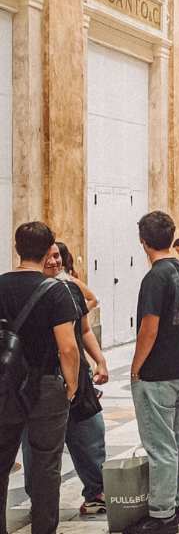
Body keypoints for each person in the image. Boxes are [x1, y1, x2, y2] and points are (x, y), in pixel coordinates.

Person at [19, 242, 110, 516]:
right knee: (37, 443)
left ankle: (96, 492)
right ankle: (40, 498)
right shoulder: (25, 291)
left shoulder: (70, 289)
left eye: (57, 256)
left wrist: (100, 360)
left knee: (90, 434)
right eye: (48, 257)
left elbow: (83, 330)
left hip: (77, 379)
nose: (54, 262)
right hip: (40, 380)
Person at [0, 222, 79, 534]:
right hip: (45, 384)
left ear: (17, 247)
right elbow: (68, 347)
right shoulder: (56, 290)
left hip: (4, 385)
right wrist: (70, 385)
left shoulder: (1, 285)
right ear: (49, 250)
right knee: (46, 465)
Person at [130, 211, 179, 534]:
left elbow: (149, 327)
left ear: (143, 242)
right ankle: (174, 503)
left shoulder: (154, 277)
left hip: (156, 374)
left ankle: (162, 515)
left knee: (160, 446)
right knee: (177, 441)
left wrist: (136, 366)